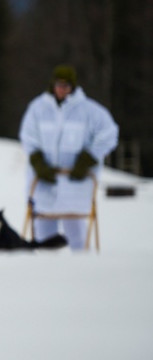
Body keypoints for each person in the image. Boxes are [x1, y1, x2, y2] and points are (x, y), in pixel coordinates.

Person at [18, 65, 118, 251]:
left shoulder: (90, 111)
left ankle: (81, 272)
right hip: (44, 182)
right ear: (52, 85)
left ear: (72, 86)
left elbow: (109, 135)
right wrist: (38, 162)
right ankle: (45, 274)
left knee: (77, 233)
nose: (61, 89)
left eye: (66, 85)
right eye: (58, 85)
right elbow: (28, 137)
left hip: (75, 183)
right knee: (43, 235)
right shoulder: (38, 108)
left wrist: (87, 160)